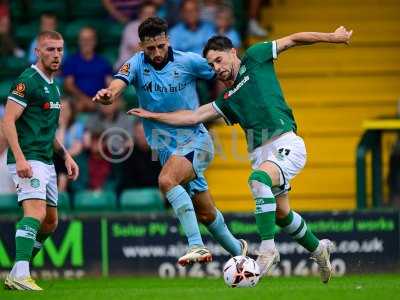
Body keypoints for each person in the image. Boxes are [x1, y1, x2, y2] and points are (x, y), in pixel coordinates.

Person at [129, 26, 353, 283]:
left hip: (286, 142)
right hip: (261, 153)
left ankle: (268, 251)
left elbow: (293, 39)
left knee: (258, 180)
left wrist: (332, 37)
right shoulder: (227, 99)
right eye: (211, 65)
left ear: (233, 52)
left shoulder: (256, 57)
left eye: (219, 60)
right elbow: (192, 116)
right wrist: (152, 114)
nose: (217, 68)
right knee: (282, 215)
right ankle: (318, 248)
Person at [93, 17, 247, 266]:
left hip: (196, 141)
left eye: (161, 46)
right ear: (141, 45)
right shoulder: (135, 64)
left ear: (168, 41)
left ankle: (195, 245)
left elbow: (222, 69)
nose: (156, 52)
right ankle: (242, 255)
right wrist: (110, 93)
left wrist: (237, 89)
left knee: (166, 180)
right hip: (167, 151)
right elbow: (119, 82)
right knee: (207, 214)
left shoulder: (188, 61)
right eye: (150, 48)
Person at [2, 30, 79, 291]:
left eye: (59, 49)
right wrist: (21, 159)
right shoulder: (28, 80)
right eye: (50, 49)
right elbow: (7, 121)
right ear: (37, 51)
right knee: (35, 213)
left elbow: (48, 130)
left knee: (50, 222)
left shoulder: (53, 85)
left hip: (46, 159)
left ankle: (16, 272)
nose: (56, 54)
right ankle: (22, 274)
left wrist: (65, 155)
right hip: (28, 158)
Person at [63, 27, 113, 112]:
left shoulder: (103, 62)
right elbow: (69, 85)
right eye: (83, 39)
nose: (86, 42)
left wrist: (101, 99)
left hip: (100, 100)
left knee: (112, 105)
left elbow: (110, 84)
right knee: (76, 105)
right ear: (79, 42)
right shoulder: (71, 61)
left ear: (95, 41)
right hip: (78, 100)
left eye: (90, 39)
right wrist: (85, 99)